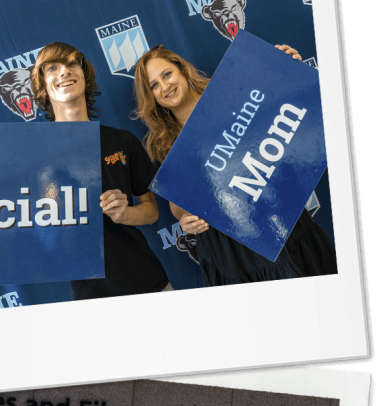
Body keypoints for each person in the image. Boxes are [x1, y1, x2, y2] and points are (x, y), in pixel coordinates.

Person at [132, 44, 337, 285]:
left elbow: (283, 118)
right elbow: (177, 207)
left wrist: (284, 67)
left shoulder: (231, 95)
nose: (165, 86)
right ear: (151, 97)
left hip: (277, 219)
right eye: (154, 85)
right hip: (231, 249)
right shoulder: (164, 142)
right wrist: (185, 219)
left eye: (166, 74)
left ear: (182, 69)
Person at [30, 42, 172, 299]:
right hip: (91, 297)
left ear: (85, 75)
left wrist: (125, 213)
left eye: (73, 63)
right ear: (42, 84)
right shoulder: (35, 159)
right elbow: (39, 243)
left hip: (149, 281)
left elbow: (151, 212)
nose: (64, 72)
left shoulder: (122, 141)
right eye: (53, 67)